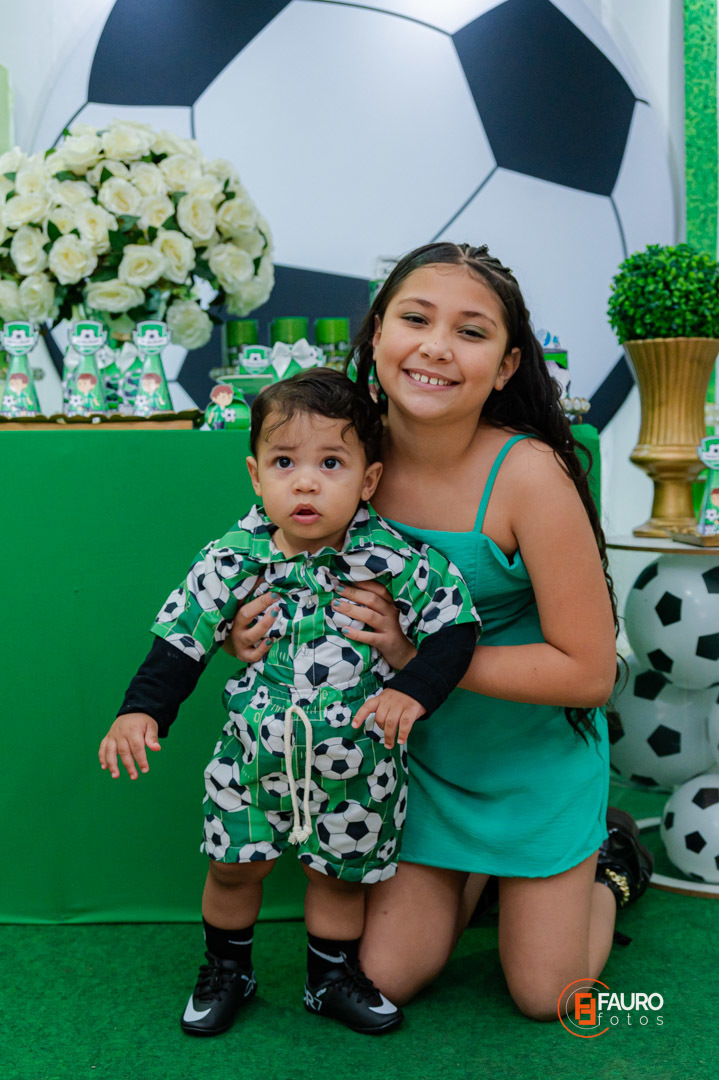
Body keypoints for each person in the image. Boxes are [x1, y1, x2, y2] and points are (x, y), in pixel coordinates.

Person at [228, 243, 653, 1022]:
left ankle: (609, 862)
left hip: (527, 763)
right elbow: (272, 569)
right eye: (415, 319)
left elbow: (590, 674)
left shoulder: (528, 475)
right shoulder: (340, 457)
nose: (435, 347)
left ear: (505, 365)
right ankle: (478, 880)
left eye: (471, 331)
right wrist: (245, 634)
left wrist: (415, 657)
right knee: (384, 975)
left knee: (548, 996)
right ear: (375, 335)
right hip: (412, 764)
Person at [98, 368, 479, 1037]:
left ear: (367, 479)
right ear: (255, 475)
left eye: (331, 463)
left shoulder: (391, 558)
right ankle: (228, 970)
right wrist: (142, 710)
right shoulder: (232, 557)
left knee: (338, 878)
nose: (305, 483)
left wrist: (411, 689)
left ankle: (329, 979)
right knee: (233, 867)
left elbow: (456, 626)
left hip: (355, 760)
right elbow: (182, 635)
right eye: (284, 463)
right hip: (252, 757)